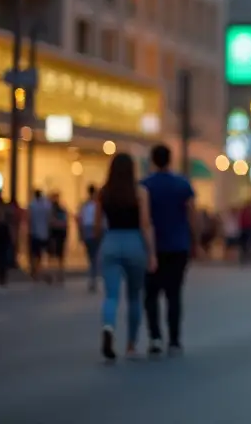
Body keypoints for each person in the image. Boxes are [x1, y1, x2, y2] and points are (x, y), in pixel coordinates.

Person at [95, 153, 157, 361]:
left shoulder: (104, 193)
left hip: (111, 241)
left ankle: (108, 327)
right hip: (134, 243)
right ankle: (131, 344)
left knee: (111, 295)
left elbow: (96, 227)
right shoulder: (140, 192)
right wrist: (151, 253)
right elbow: (145, 224)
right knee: (134, 296)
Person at [141, 144, 198, 356]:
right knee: (174, 295)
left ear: (153, 161)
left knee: (151, 295)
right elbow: (192, 215)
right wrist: (195, 241)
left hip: (153, 247)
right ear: (170, 160)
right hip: (178, 246)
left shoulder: (145, 186)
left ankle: (155, 337)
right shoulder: (183, 185)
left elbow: (143, 220)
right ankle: (174, 340)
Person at [27, 189, 53, 283]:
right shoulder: (46, 205)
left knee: (35, 254)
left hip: (35, 232)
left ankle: (35, 272)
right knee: (42, 254)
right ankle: (40, 271)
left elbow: (29, 218)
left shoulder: (32, 205)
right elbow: (49, 218)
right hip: (44, 232)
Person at [79, 186, 101, 292]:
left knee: (93, 256)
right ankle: (93, 278)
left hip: (90, 229)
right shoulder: (90, 205)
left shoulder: (87, 205)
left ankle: (93, 278)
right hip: (91, 229)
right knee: (93, 256)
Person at [47, 191, 69, 285]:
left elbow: (51, 221)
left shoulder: (55, 210)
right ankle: (58, 274)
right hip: (58, 233)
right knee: (57, 255)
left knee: (55, 255)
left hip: (55, 234)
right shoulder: (60, 210)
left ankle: (56, 274)